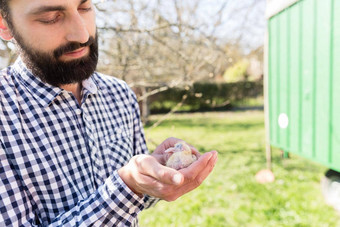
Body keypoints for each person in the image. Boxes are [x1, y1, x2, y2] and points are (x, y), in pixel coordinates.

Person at [0, 0, 218, 226]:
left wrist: (156, 175)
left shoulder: (119, 94)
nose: (83, 34)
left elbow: (137, 201)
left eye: (84, 8)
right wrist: (127, 185)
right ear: (5, 25)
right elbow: (126, 192)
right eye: (51, 18)